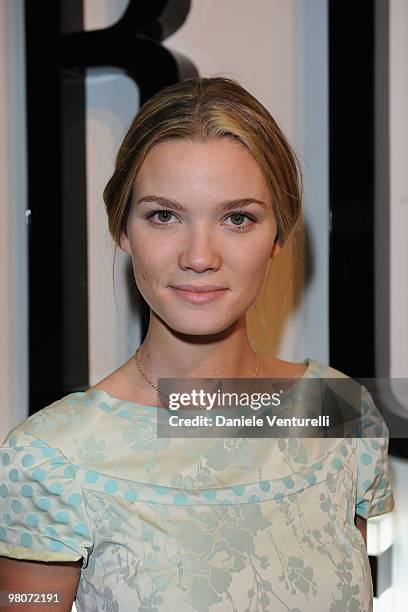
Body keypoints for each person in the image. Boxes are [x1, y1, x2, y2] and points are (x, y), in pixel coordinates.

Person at [0, 76, 394, 612]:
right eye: (164, 215)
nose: (199, 255)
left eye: (238, 218)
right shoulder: (48, 457)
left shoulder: (338, 409)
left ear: (278, 233)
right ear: (124, 229)